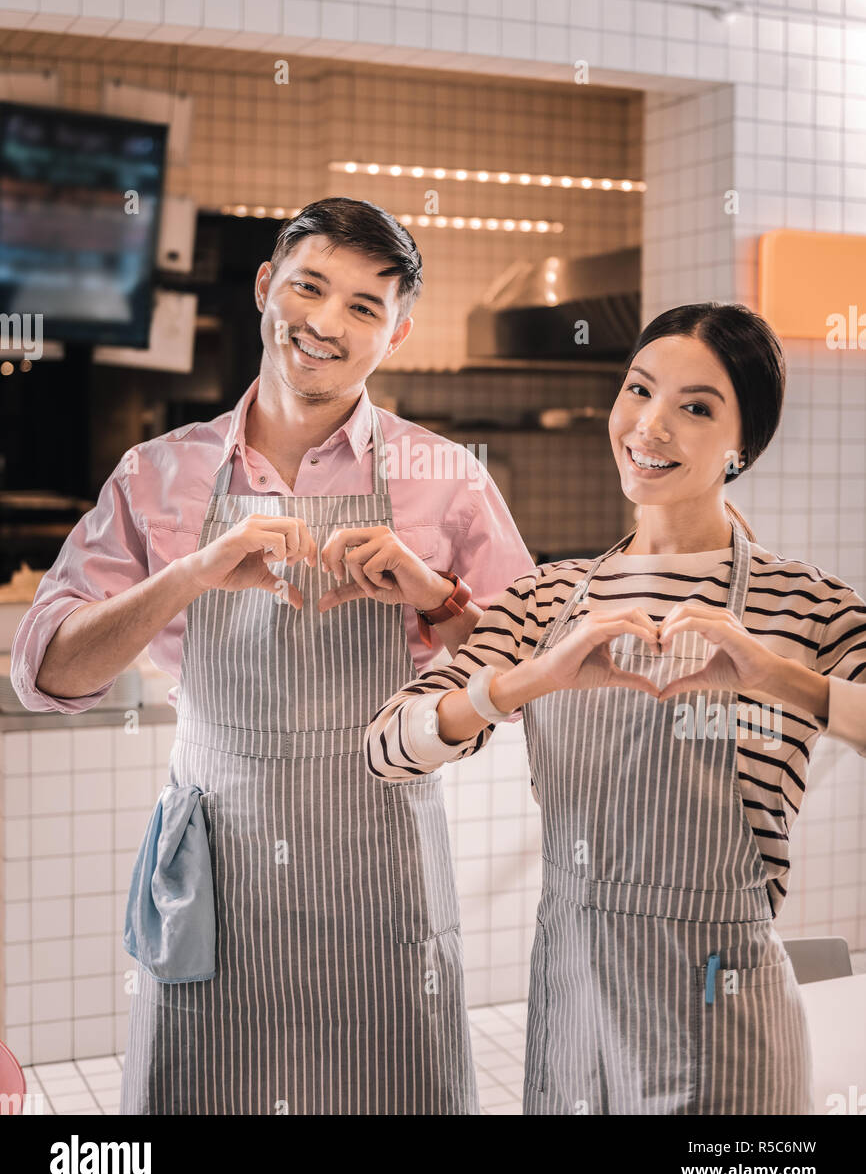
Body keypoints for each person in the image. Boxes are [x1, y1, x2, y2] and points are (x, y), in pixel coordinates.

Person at [11, 197, 535, 1116]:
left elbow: (535, 676)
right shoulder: (156, 475)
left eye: (365, 308)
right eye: (310, 286)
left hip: (382, 882)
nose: (327, 324)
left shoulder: (446, 479)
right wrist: (191, 574)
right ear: (267, 287)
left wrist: (435, 597)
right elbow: (48, 673)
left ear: (397, 332)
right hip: (221, 878)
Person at [366, 302, 866, 1116]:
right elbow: (387, 749)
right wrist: (529, 681)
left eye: (696, 407)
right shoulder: (547, 600)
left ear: (744, 443)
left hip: (724, 1021)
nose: (651, 426)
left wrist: (781, 680)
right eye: (639, 391)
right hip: (572, 1012)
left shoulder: (802, 605)